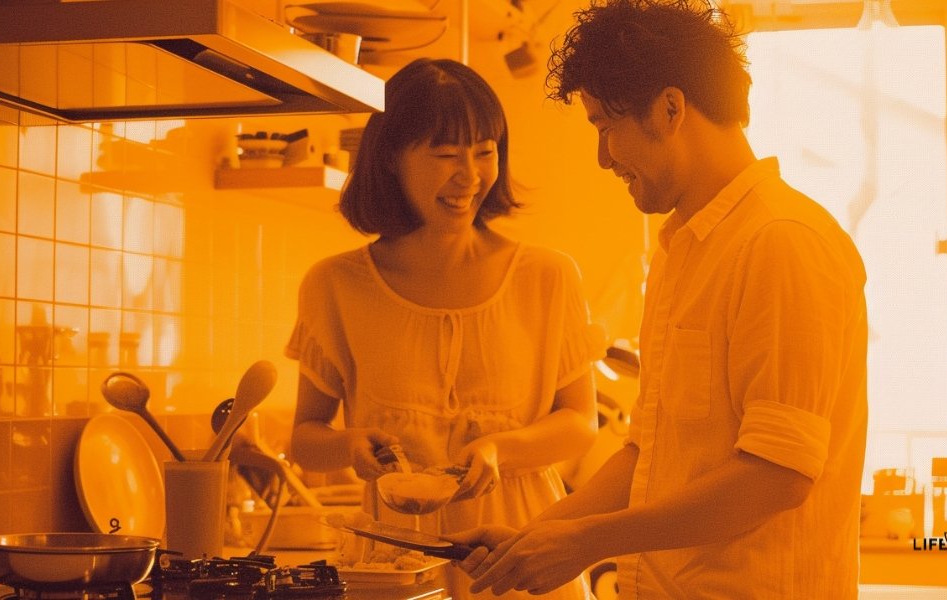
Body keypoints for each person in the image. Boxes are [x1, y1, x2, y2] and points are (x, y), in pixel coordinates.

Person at [449, 0, 869, 597]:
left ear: (670, 108)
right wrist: (534, 538)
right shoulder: (683, 252)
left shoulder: (782, 242)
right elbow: (648, 453)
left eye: (604, 126)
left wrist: (587, 543)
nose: (603, 158)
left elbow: (776, 476)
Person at [286, 57, 599, 600]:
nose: (470, 177)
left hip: (521, 554)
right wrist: (351, 444)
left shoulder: (547, 276)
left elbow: (580, 421)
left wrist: (501, 449)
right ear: (389, 160)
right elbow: (305, 440)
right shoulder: (335, 285)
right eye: (445, 155)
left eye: (484, 152)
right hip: (394, 565)